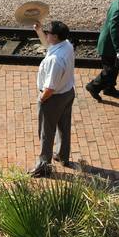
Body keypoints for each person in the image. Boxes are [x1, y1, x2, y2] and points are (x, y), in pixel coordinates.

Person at [29, 20, 75, 178]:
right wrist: (39, 31)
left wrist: (41, 99)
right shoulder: (66, 45)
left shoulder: (54, 61)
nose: (46, 34)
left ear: (55, 36)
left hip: (53, 98)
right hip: (68, 93)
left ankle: (43, 166)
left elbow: (50, 88)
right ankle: (63, 156)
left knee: (46, 133)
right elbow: (50, 46)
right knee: (64, 127)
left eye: (48, 32)